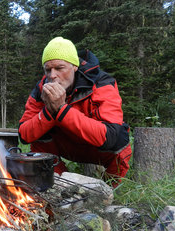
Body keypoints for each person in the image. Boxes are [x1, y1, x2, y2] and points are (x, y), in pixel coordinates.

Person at [18, 37, 132, 186]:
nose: (52, 75)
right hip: (65, 145)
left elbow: (110, 136)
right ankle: (59, 185)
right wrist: (49, 111)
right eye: (48, 69)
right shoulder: (41, 89)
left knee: (121, 141)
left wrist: (61, 109)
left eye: (59, 68)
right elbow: (24, 135)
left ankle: (107, 190)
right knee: (38, 137)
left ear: (74, 66)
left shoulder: (101, 83)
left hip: (96, 148)